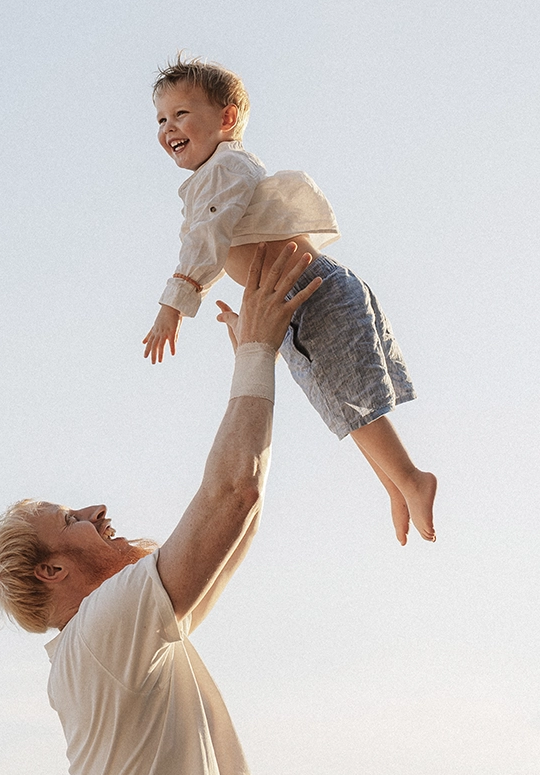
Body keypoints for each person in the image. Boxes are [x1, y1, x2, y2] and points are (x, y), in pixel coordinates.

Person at [0, 244, 322, 775]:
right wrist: (258, 352)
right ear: (52, 569)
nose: (96, 511)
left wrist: (255, 362)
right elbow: (231, 498)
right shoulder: (101, 631)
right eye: (71, 519)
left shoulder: (125, 640)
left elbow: (241, 519)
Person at [141, 55, 438, 545]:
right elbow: (214, 240)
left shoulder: (224, 168)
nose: (169, 127)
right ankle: (395, 482)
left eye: (181, 114)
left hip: (313, 293)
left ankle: (409, 477)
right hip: (297, 304)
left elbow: (206, 240)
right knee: (343, 402)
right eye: (161, 119)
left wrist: (172, 306)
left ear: (227, 119)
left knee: (352, 397)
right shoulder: (212, 177)